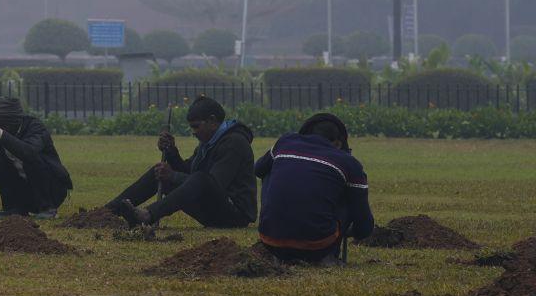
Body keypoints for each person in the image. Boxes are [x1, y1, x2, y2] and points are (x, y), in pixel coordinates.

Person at [106, 96, 256, 228]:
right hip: (214, 208)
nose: (193, 132)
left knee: (196, 178)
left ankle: (147, 215)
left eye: (196, 126)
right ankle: (107, 213)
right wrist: (171, 152)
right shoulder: (209, 143)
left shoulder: (234, 143)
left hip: (235, 215)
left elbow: (211, 184)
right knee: (158, 171)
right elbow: (188, 173)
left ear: (212, 121)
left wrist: (172, 176)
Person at [255, 113, 374, 264]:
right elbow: (364, 226)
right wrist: (351, 231)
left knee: (269, 170)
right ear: (338, 143)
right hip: (319, 245)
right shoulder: (348, 162)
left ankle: (278, 236)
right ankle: (327, 256)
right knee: (349, 191)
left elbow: (258, 169)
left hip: (271, 241)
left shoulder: (285, 142)